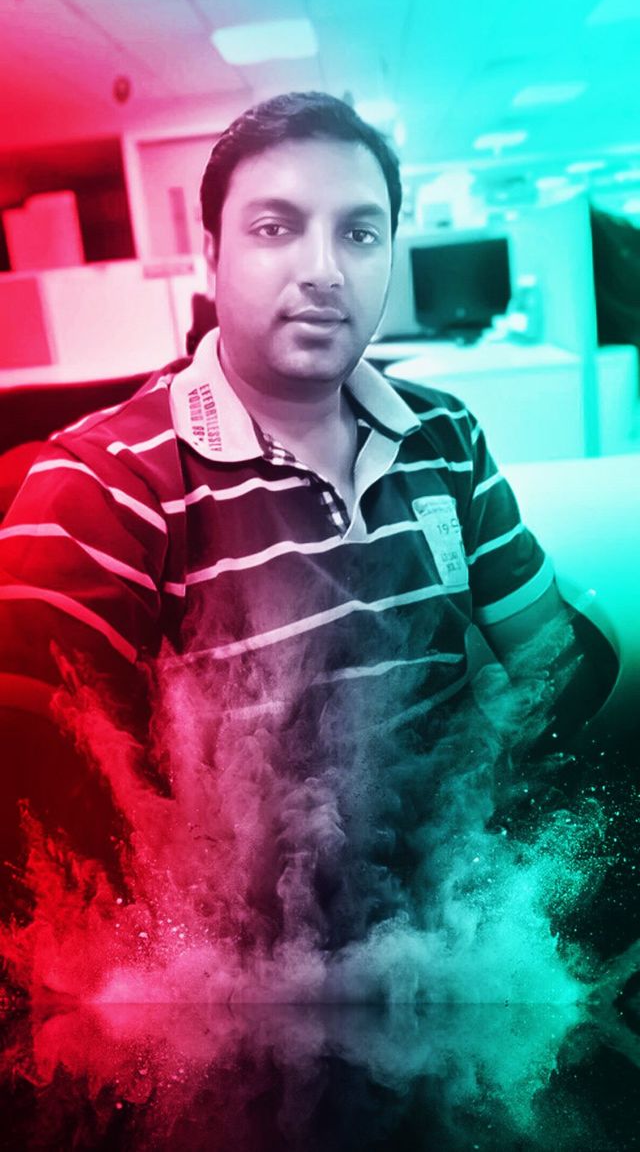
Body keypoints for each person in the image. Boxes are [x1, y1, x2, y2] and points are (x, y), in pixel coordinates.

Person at [0, 92, 611, 935]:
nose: (324, 269)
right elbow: (32, 828)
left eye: (359, 233)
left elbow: (555, 666)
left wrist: (484, 795)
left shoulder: (446, 434)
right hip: (241, 960)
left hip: (457, 916)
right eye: (275, 227)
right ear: (211, 254)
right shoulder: (103, 483)